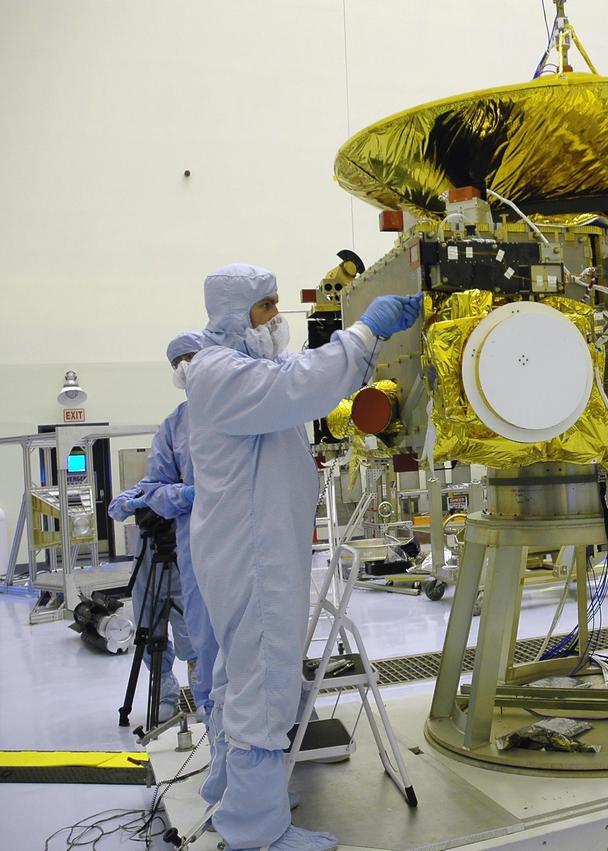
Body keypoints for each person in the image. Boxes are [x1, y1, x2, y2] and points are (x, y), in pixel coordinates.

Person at [186, 263, 419, 851]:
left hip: (249, 547)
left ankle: (233, 790)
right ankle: (256, 831)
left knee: (239, 671)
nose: (275, 318)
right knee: (264, 679)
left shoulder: (236, 369)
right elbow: (300, 385)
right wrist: (364, 334)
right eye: (266, 307)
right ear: (234, 314)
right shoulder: (223, 374)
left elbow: (293, 386)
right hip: (254, 554)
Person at [109, 332, 218, 729]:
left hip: (219, 545)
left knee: (203, 631)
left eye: (192, 357)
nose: (186, 366)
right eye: (178, 362)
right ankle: (167, 697)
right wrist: (188, 494)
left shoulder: (237, 410)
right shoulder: (175, 424)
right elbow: (154, 486)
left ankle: (209, 695)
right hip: (174, 548)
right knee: (153, 624)